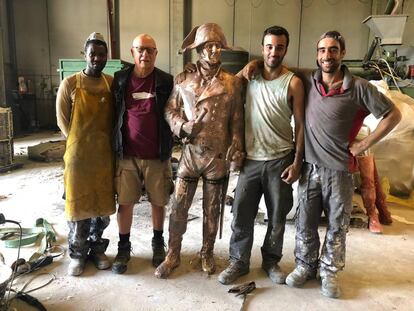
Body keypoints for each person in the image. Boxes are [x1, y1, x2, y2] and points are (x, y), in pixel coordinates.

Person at [243, 30, 401, 298]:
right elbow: (277, 64)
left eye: (333, 50)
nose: (327, 56)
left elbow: (393, 115)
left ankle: (329, 272)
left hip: (339, 170)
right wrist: (255, 63)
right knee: (305, 221)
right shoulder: (308, 78)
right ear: (317, 55)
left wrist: (363, 145)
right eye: (322, 51)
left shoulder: (360, 87)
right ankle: (305, 265)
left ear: (342, 54)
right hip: (309, 168)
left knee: (337, 225)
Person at [154, 23, 244, 279]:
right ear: (199, 50)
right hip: (191, 154)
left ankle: (207, 251)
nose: (214, 50)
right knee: (178, 206)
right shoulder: (184, 79)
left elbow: (237, 118)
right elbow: (169, 109)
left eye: (217, 46)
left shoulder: (231, 82)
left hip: (217, 156)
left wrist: (236, 144)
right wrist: (182, 125)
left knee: (212, 209)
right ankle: (173, 253)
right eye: (208, 46)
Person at [217, 25, 305, 286]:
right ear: (262, 47)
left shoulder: (294, 83)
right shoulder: (249, 77)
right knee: (241, 213)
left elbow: (300, 125)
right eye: (269, 46)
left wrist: (298, 161)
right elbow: (227, 91)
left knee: (277, 216)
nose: (274, 51)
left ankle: (271, 261)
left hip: (280, 158)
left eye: (279, 47)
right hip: (251, 160)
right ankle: (239, 262)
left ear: (285, 49)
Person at [112, 34, 174, 274]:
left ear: (156, 54)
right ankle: (123, 247)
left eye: (150, 50)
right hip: (127, 155)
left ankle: (158, 244)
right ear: (132, 52)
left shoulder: (166, 81)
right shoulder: (119, 80)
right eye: (140, 49)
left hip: (157, 156)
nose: (145, 55)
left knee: (158, 202)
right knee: (125, 203)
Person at [56, 32, 115, 276]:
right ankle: (78, 255)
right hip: (78, 158)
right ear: (85, 55)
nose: (97, 59)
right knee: (78, 209)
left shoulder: (111, 83)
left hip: (104, 158)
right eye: (93, 54)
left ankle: (97, 250)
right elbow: (63, 121)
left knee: (101, 209)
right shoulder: (70, 83)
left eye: (101, 55)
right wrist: (79, 144)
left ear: (106, 57)